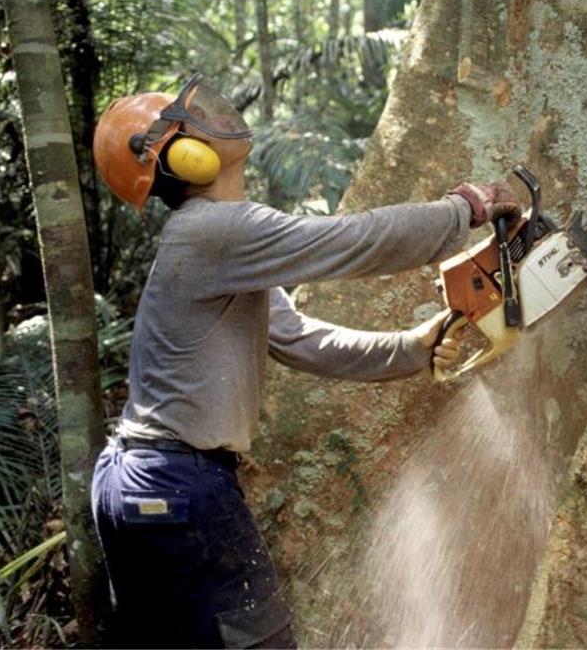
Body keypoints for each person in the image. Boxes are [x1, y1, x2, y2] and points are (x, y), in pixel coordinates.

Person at [89, 73, 518, 648]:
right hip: (179, 484)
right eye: (191, 122)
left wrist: (409, 349)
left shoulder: (220, 247)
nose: (217, 116)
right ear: (183, 158)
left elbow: (301, 340)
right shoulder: (212, 229)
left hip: (136, 484)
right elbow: (349, 241)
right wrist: (464, 208)